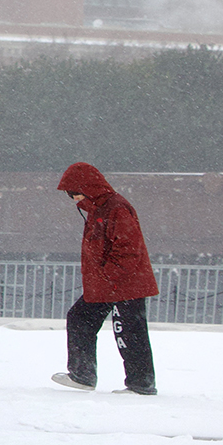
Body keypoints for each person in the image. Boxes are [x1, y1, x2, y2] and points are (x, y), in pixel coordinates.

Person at [52, 162, 159, 395]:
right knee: (80, 318)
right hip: (106, 284)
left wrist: (109, 275)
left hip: (125, 284)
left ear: (88, 187)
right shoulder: (98, 210)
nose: (73, 198)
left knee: (129, 332)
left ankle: (141, 384)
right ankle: (82, 376)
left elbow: (128, 250)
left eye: (74, 192)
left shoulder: (116, 208)